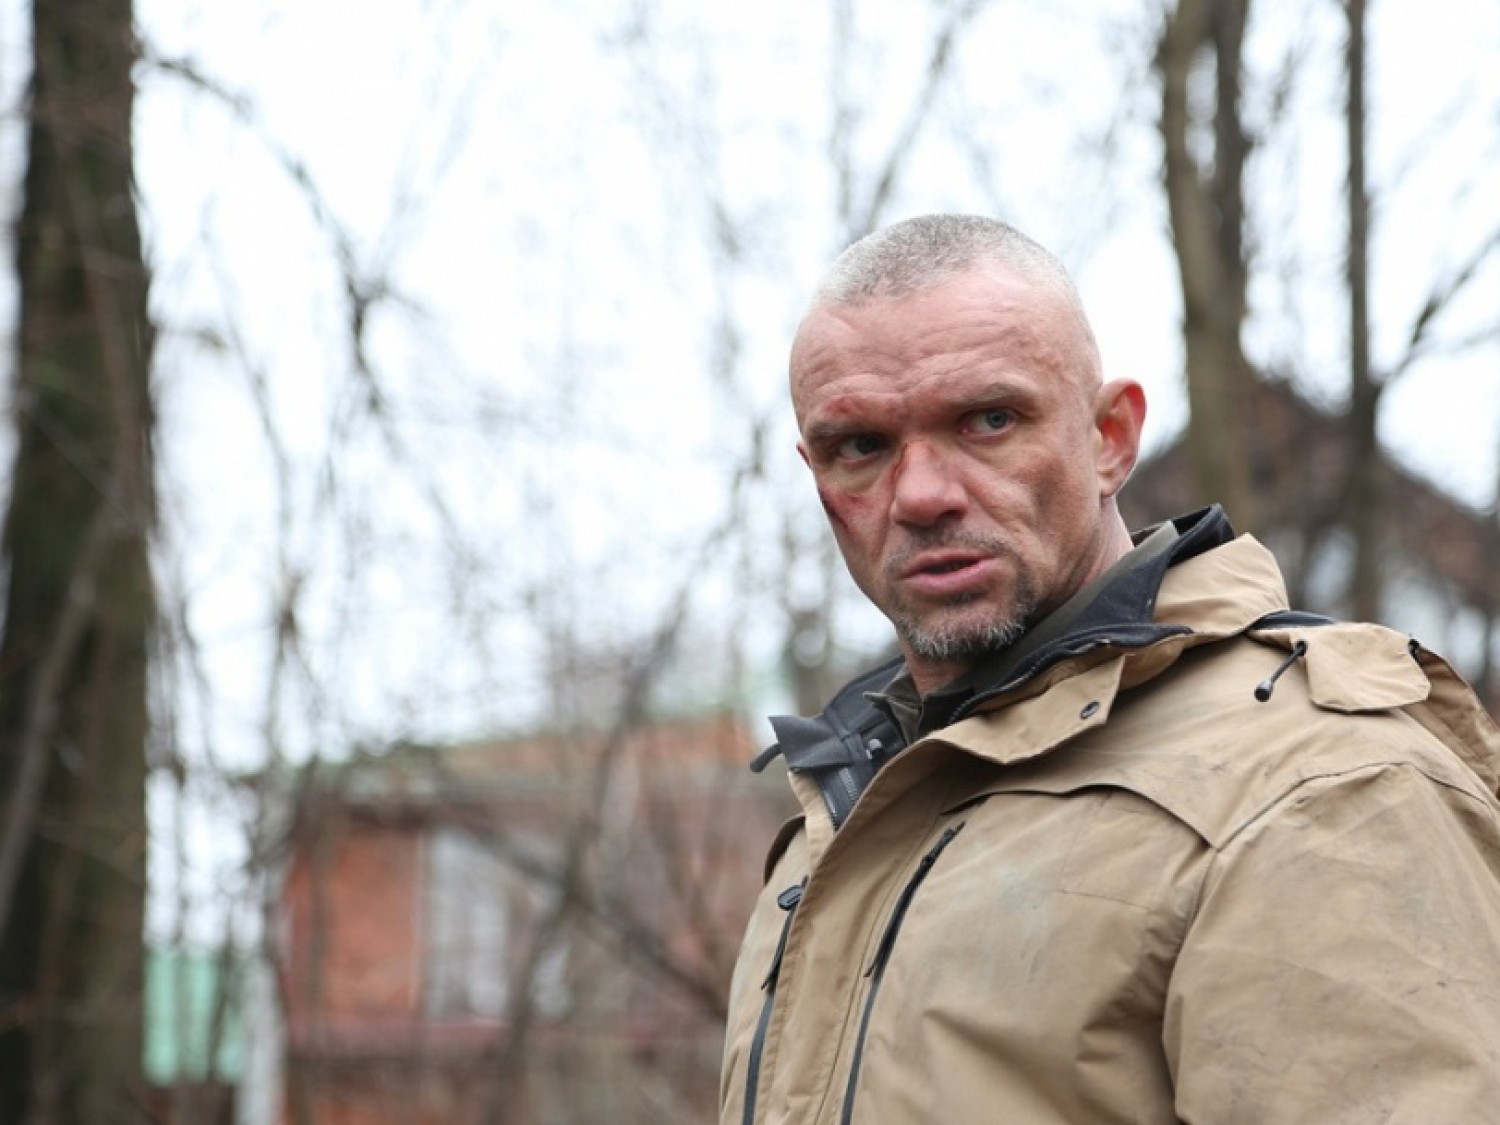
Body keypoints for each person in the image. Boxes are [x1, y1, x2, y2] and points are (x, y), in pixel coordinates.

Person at [720, 214, 1500, 1124]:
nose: (923, 493)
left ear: (1110, 437)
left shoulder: (1317, 785)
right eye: (861, 445)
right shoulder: (843, 815)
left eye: (989, 420)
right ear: (815, 470)